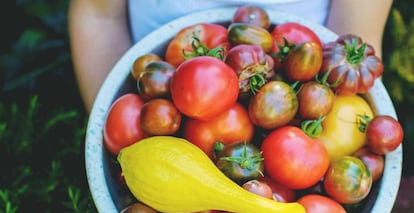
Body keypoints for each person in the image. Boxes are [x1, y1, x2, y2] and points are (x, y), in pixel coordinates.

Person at [68, 0, 393, 113]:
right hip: (153, 90)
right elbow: (100, 17)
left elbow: (352, 45)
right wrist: (115, 126)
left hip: (303, 93)